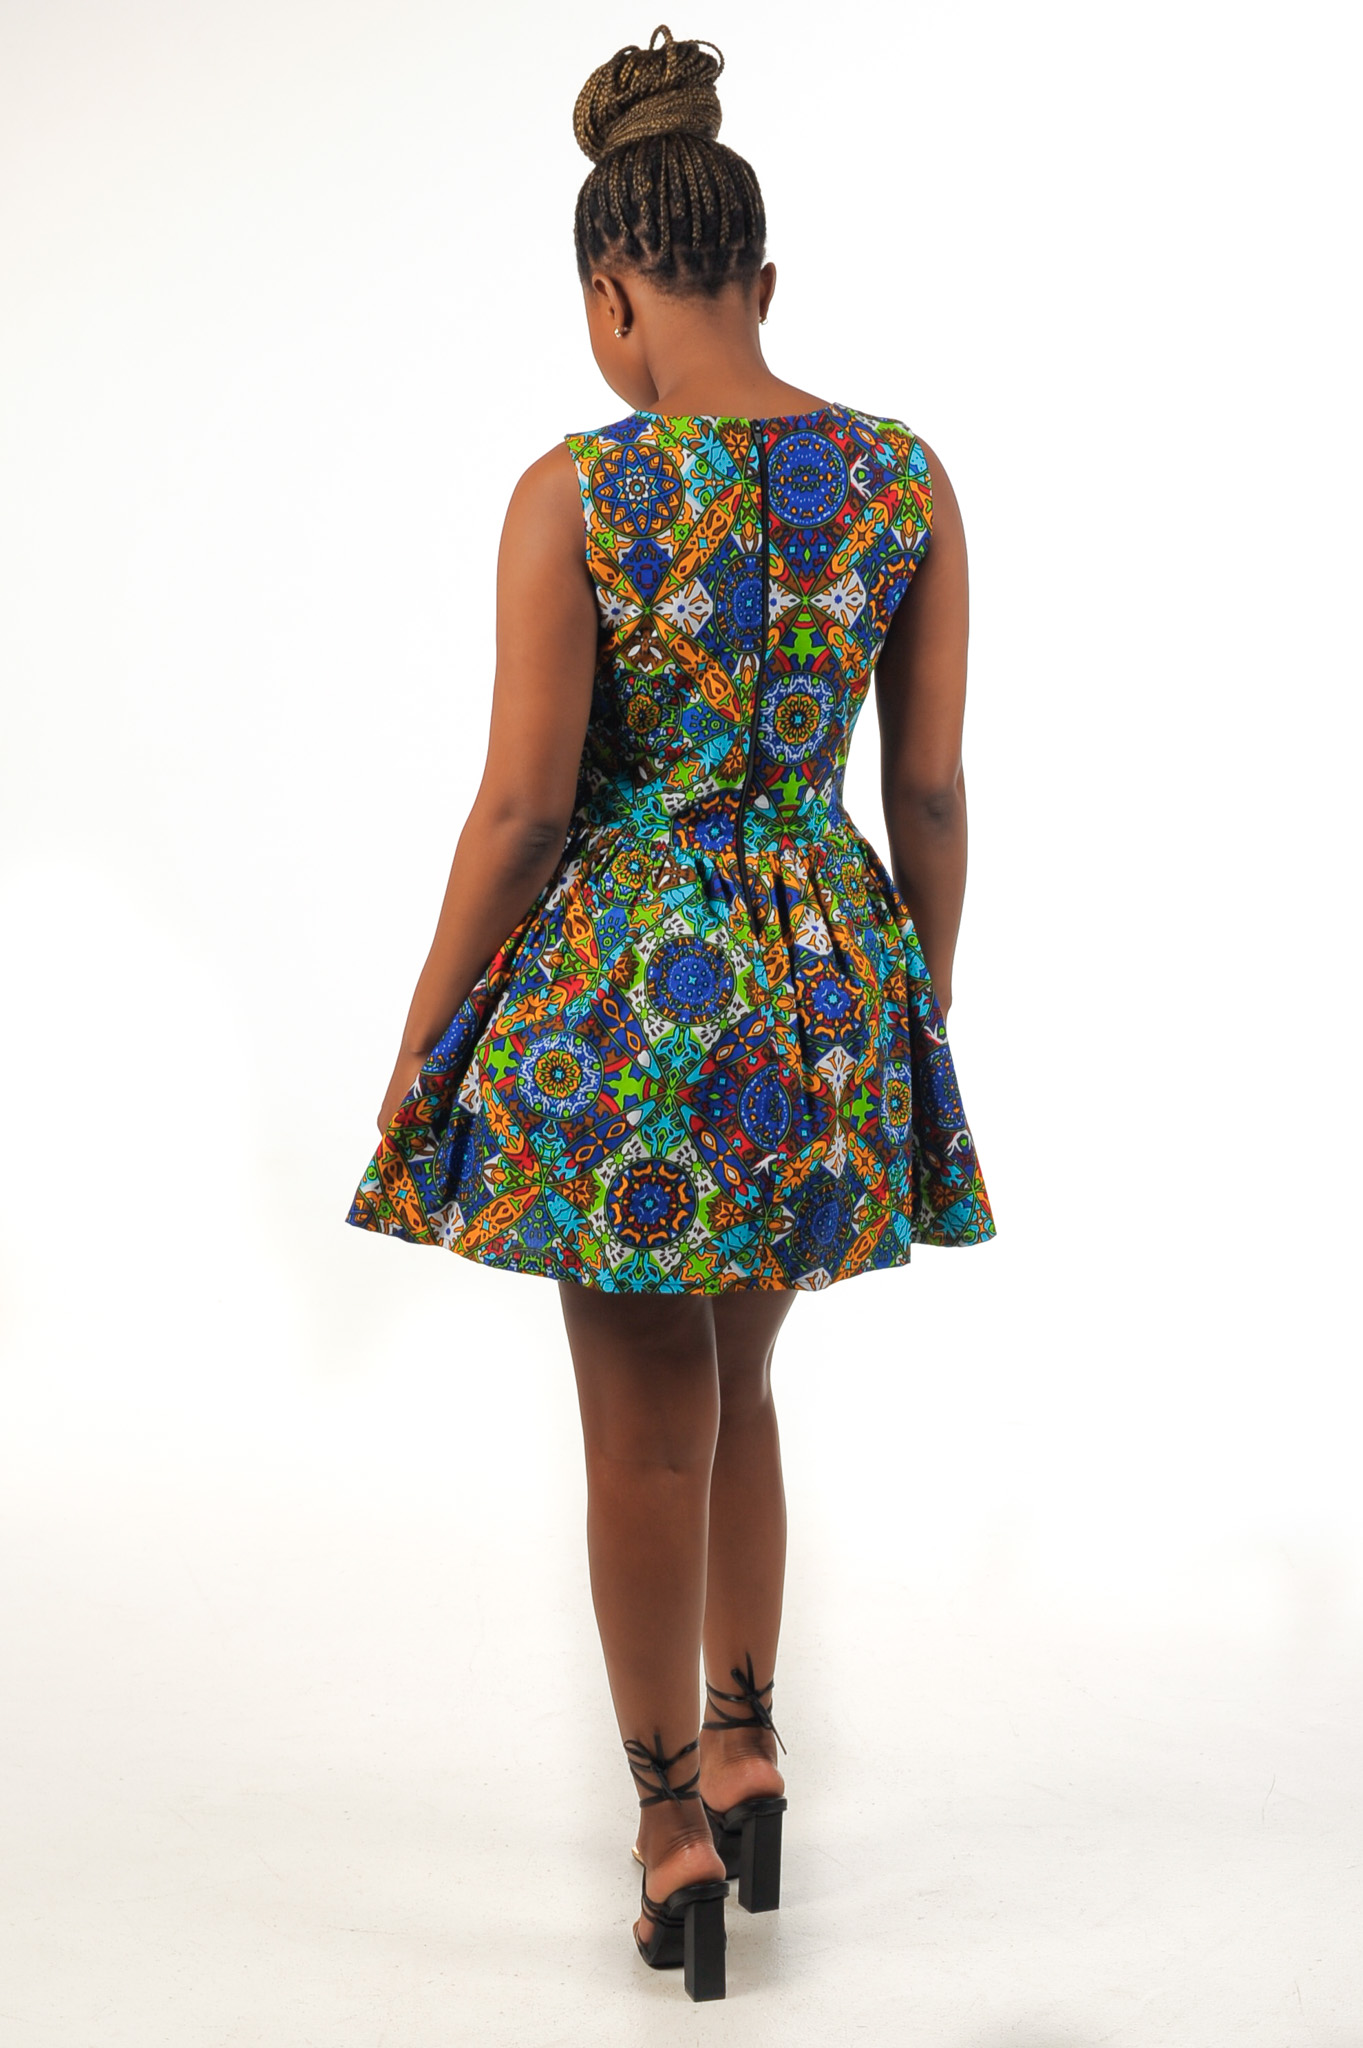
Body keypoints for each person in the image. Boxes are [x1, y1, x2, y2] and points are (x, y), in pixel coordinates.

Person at [345, 22, 995, 2002]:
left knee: (644, 1433)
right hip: (824, 986)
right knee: (744, 1385)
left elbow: (527, 811)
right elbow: (930, 794)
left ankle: (666, 1823)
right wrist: (909, 1013)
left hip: (626, 1006)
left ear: (608, 295)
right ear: (760, 279)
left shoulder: (578, 494)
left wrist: (425, 1036)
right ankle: (748, 1733)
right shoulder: (902, 479)